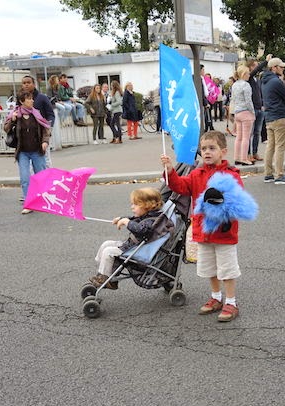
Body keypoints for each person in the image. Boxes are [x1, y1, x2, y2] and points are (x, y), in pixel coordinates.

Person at [160, 130, 243, 322]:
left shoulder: (231, 175)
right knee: (210, 269)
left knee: (227, 269)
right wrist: (170, 171)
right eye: (203, 148)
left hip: (224, 232)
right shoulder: (196, 174)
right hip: (203, 232)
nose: (206, 152)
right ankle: (216, 297)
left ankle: (231, 301)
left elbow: (237, 200)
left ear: (223, 151)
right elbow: (180, 186)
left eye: (212, 148)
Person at [89, 187, 165, 289]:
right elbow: (134, 219)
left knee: (108, 251)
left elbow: (141, 230)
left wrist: (126, 222)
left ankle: (105, 278)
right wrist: (121, 218)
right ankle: (102, 272)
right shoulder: (148, 215)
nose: (132, 207)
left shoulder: (151, 221)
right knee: (106, 244)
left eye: (136, 204)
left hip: (137, 250)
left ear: (147, 205)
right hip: (132, 246)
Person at [3, 90, 51, 214]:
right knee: (25, 178)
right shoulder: (15, 115)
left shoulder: (36, 114)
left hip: (37, 150)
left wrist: (45, 142)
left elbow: (46, 129)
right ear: (22, 101)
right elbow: (6, 129)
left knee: (40, 177)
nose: (32, 100)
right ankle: (29, 203)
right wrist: (13, 119)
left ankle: (43, 200)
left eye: (31, 98)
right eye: (29, 99)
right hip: (23, 152)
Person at [260, 57, 285, 185]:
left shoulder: (264, 81)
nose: (283, 69)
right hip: (278, 115)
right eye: (281, 67)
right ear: (274, 68)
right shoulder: (276, 81)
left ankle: (268, 174)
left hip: (269, 116)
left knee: (270, 146)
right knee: (280, 147)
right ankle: (279, 175)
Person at [230, 65, 255, 166]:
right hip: (246, 112)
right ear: (244, 74)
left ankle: (237, 157)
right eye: (248, 73)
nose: (249, 75)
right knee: (246, 137)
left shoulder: (235, 85)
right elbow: (248, 101)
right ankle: (244, 158)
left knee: (239, 137)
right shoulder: (246, 85)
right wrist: (252, 112)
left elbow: (234, 99)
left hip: (237, 112)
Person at [246, 56, 269, 162]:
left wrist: (263, 104)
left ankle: (255, 153)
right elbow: (257, 70)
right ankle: (248, 154)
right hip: (252, 109)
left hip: (260, 108)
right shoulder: (249, 77)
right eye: (255, 65)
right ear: (250, 67)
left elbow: (260, 93)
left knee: (257, 132)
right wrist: (266, 61)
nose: (257, 67)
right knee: (250, 133)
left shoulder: (257, 79)